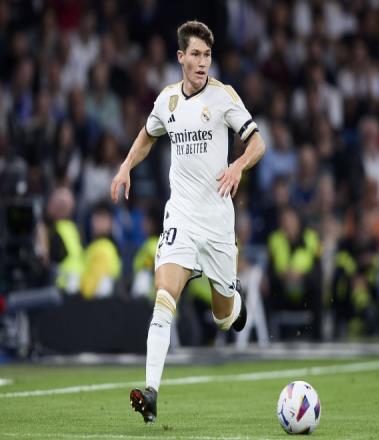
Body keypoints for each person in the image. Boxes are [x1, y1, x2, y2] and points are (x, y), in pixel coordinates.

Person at [110, 21, 265, 423]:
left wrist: (237, 166)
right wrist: (126, 166)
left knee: (224, 318)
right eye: (195, 54)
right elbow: (148, 134)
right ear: (181, 57)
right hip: (180, 216)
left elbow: (258, 142)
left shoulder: (224, 96)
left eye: (207, 55)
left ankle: (234, 300)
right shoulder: (167, 101)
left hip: (217, 222)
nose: (202, 62)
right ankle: (151, 392)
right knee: (165, 296)